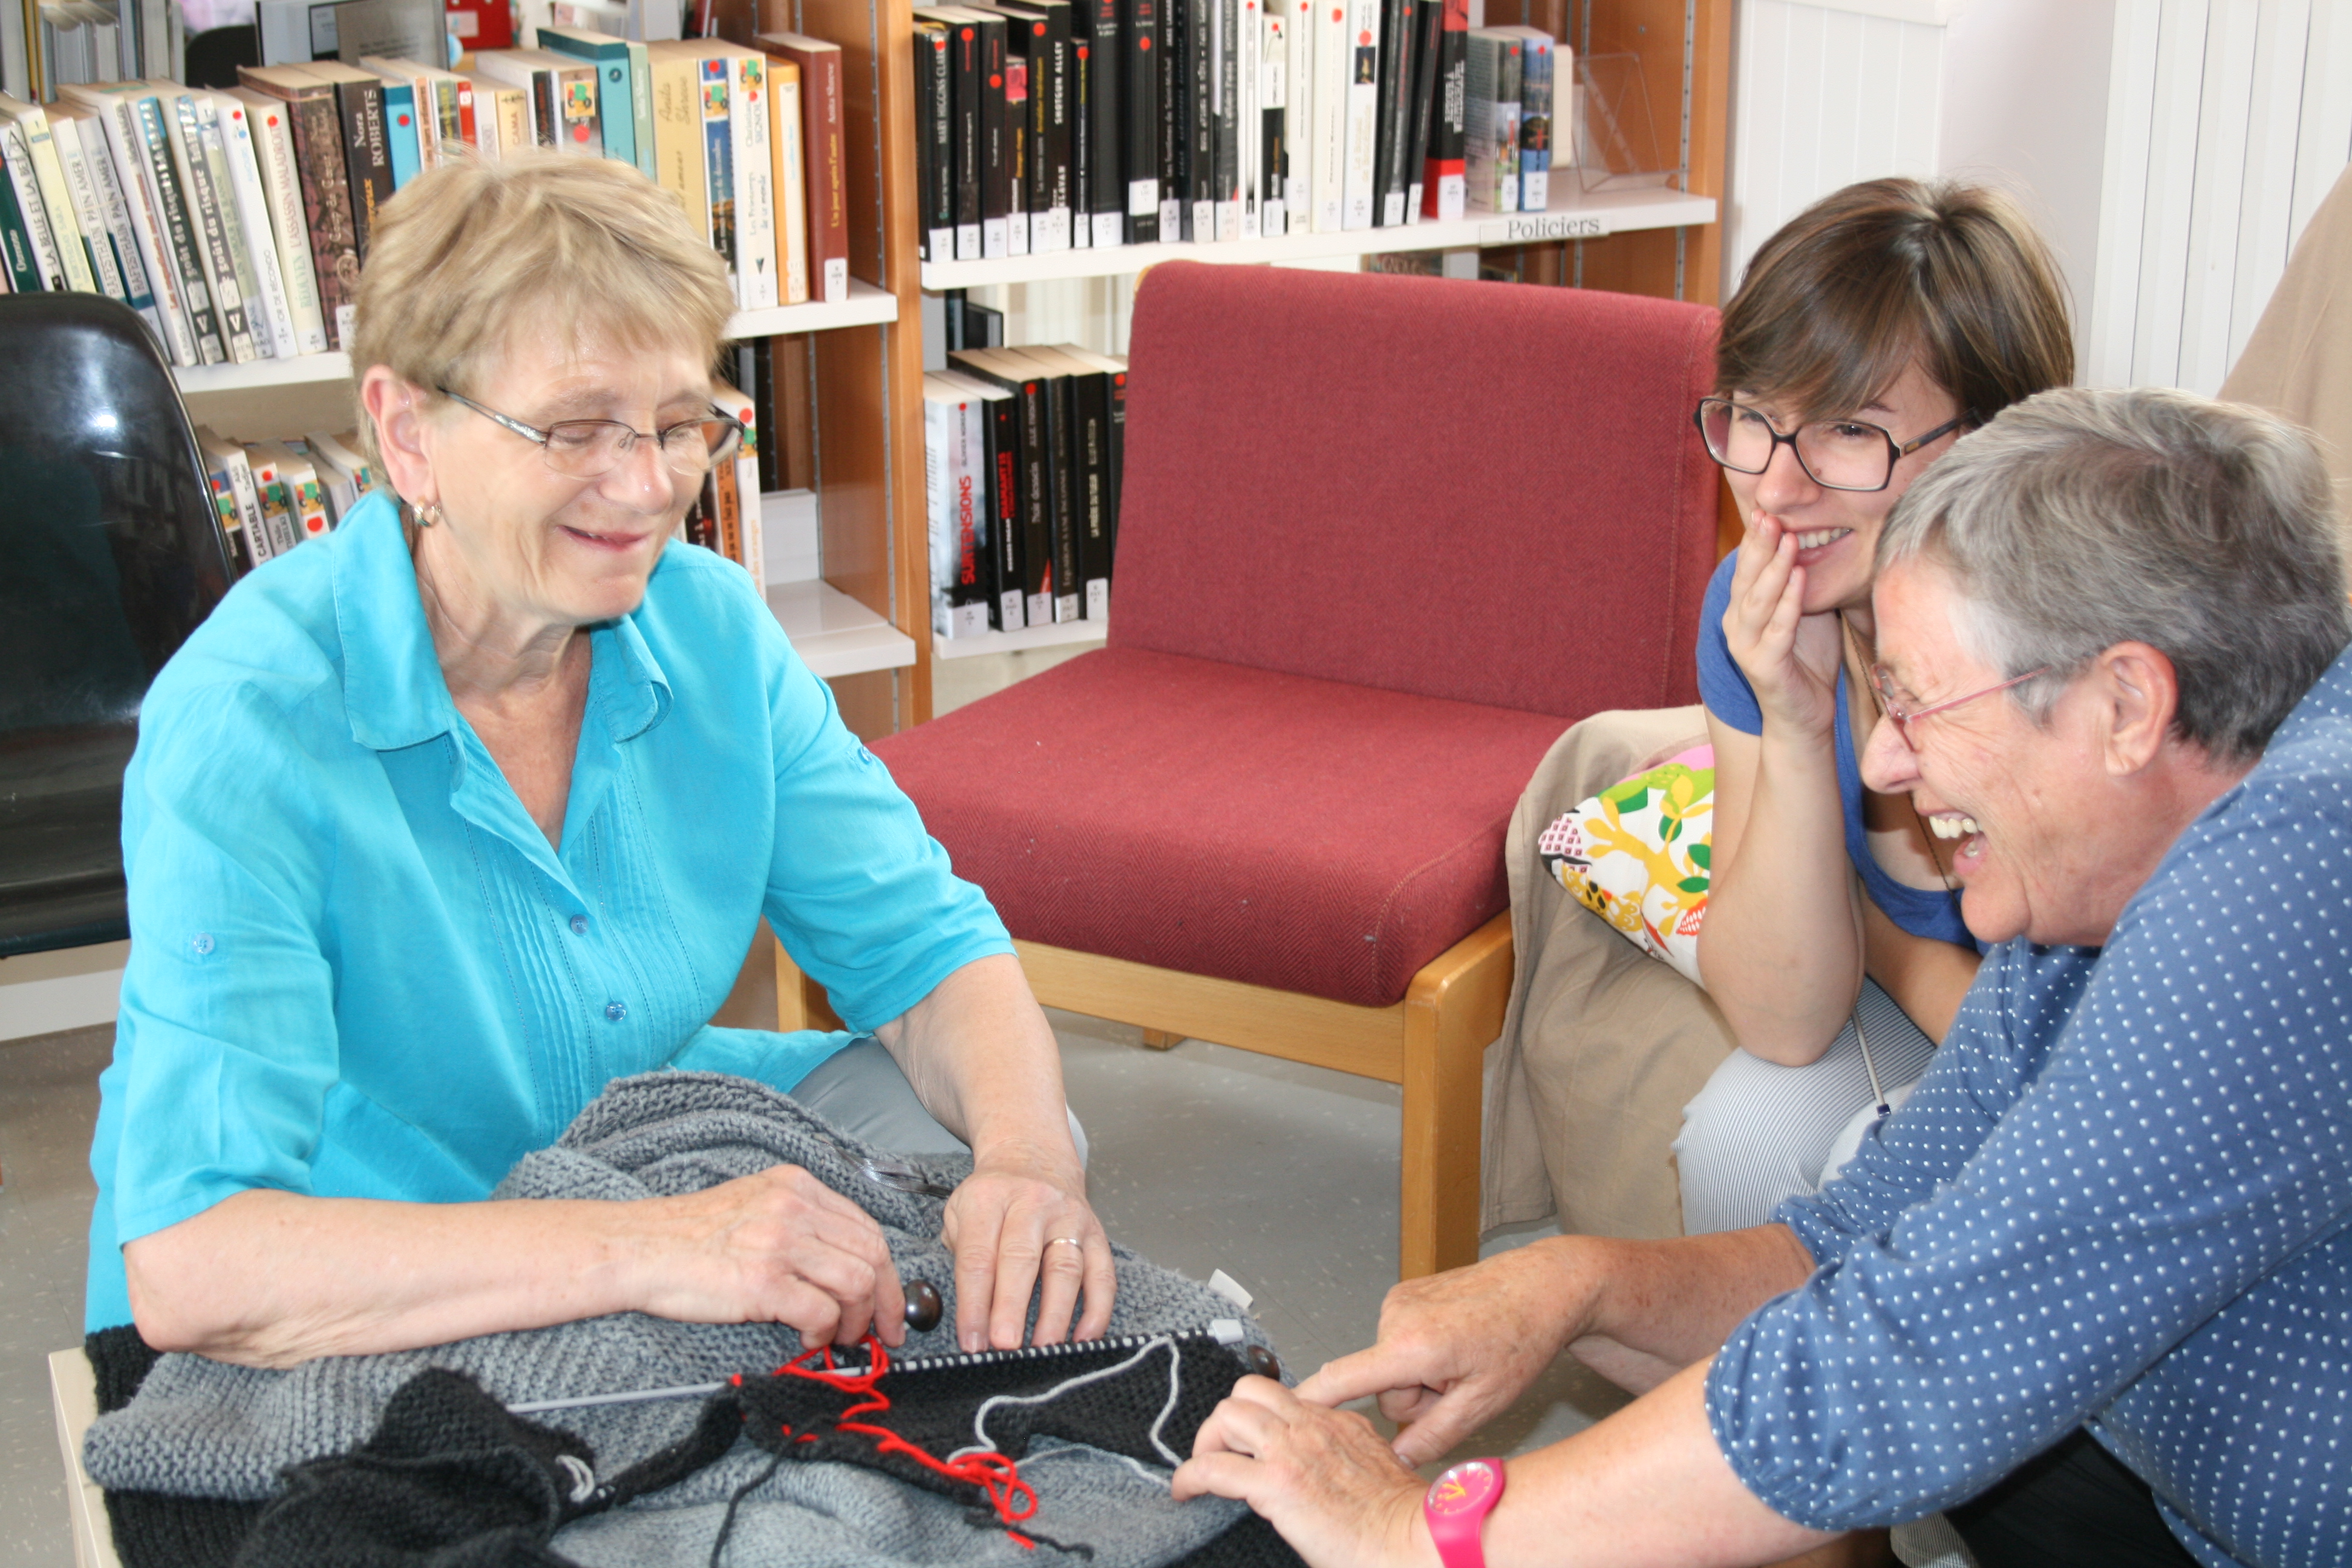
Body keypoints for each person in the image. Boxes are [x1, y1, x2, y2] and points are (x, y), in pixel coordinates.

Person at [1173, 386, 2352, 1568]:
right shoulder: (2081, 913)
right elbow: (1846, 1247)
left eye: (1918, 704)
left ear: (2128, 706)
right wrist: (1573, 1288)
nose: (1886, 762)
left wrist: (1411, 1535)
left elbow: (1908, 1360)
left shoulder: (2299, 884)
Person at [86, 152, 1112, 1368]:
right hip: (375, 1237)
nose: (646, 487)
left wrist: (1030, 1171)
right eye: (577, 428)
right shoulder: (248, 722)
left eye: (680, 424)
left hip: (635, 1151)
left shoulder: (712, 627)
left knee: (1020, 1152)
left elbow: (930, 956)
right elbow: (196, 1262)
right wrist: (662, 1248)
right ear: (407, 434)